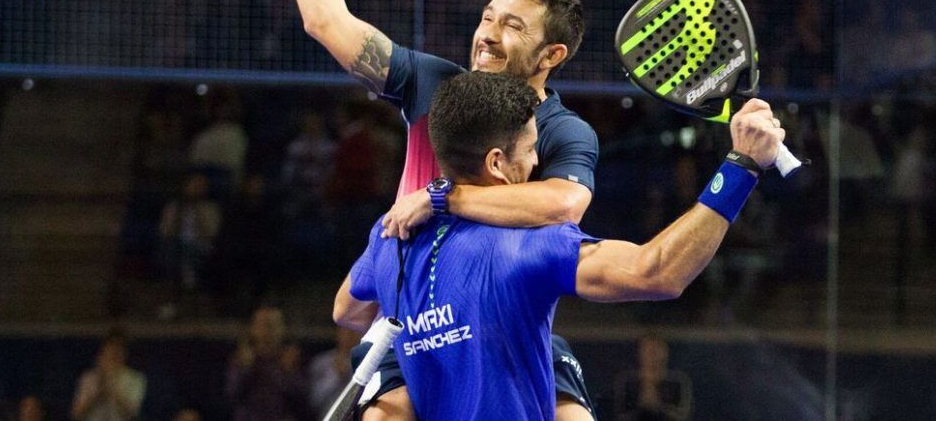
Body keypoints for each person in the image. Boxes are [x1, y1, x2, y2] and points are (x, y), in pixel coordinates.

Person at [285, 0, 598, 418]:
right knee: (386, 414)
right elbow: (324, 21)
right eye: (487, 17)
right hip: (418, 320)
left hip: (506, 321)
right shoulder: (434, 84)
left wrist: (441, 198)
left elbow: (565, 204)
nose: (488, 35)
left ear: (552, 55)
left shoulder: (562, 129)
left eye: (513, 27)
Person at [334, 72, 785, 419]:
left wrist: (423, 336)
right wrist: (742, 165)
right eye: (531, 148)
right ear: (497, 163)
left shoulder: (389, 236)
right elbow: (659, 272)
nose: (536, 160)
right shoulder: (527, 245)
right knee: (558, 357)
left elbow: (347, 312)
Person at [225, 306, 313, 421]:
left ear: (283, 328)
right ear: (252, 329)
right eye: (262, 325)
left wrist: (288, 372)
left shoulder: (293, 359)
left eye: (272, 325)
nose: (267, 331)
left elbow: (304, 399)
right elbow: (232, 394)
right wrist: (246, 368)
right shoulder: (242, 359)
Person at [70, 329, 147, 421]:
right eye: (111, 348)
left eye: (119, 349)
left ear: (125, 353)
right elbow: (76, 414)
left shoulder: (136, 379)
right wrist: (97, 393)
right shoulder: (89, 378)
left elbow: (132, 414)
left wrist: (111, 387)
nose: (114, 352)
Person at [616, 334, 693, 421]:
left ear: (665, 353)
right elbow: (621, 416)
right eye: (648, 350)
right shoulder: (627, 381)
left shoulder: (679, 381)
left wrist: (658, 406)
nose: (652, 355)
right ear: (640, 353)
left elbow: (684, 416)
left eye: (657, 350)